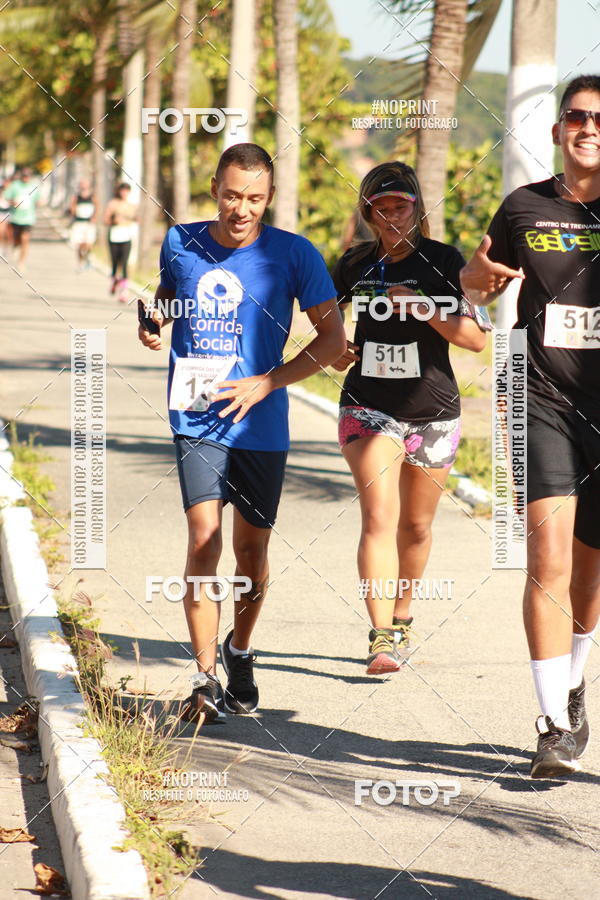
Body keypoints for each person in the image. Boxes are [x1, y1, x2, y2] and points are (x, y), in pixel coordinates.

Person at [138, 143, 345, 723]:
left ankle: (240, 649)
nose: (241, 208)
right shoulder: (181, 241)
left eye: (254, 198)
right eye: (232, 195)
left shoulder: (294, 255)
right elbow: (169, 297)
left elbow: (332, 342)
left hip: (261, 423)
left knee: (252, 551)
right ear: (214, 189)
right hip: (195, 415)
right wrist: (156, 323)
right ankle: (205, 680)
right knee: (205, 539)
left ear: (269, 198)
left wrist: (267, 382)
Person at [460, 74, 600, 779]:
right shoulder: (524, 207)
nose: (587, 127)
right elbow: (475, 277)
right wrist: (475, 283)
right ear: (557, 131)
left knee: (590, 574)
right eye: (576, 116)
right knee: (546, 559)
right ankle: (549, 723)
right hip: (544, 401)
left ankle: (575, 680)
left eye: (599, 119)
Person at [332, 161, 489, 675]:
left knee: (417, 526)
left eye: (402, 206)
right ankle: (380, 637)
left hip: (433, 411)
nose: (393, 216)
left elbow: (474, 338)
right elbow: (324, 323)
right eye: (383, 208)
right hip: (368, 406)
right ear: (369, 213)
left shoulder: (444, 261)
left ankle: (401, 619)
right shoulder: (354, 264)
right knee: (380, 516)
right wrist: (338, 350)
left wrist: (423, 307)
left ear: (417, 208)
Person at [104, 182, 136, 301]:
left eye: (126, 191)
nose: (124, 193)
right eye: (122, 190)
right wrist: (113, 221)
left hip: (126, 236)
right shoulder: (113, 204)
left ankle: (124, 291)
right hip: (114, 236)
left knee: (124, 263)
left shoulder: (132, 206)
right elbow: (105, 220)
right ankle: (114, 280)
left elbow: (137, 219)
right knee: (114, 262)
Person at [5, 167, 38, 272]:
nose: (26, 178)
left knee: (25, 239)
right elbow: (6, 197)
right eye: (24, 175)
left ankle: (21, 262)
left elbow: (38, 200)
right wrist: (13, 202)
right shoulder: (14, 186)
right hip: (16, 218)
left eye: (28, 176)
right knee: (16, 239)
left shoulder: (34, 187)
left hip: (28, 218)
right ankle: (15, 245)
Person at [69, 179, 96, 270]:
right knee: (80, 244)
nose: (84, 187)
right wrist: (73, 213)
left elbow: (97, 206)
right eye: (82, 185)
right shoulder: (76, 197)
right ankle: (80, 262)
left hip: (89, 223)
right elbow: (72, 207)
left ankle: (88, 259)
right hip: (79, 222)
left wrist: (94, 217)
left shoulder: (92, 197)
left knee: (88, 243)